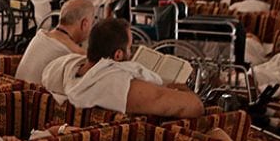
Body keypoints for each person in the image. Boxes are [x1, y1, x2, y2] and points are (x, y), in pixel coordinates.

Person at [41, 18, 204, 118]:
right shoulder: (117, 82)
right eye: (130, 48)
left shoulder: (61, 65)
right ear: (118, 55)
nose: (132, 53)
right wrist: (186, 91)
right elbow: (195, 107)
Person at [15, 0, 94, 84]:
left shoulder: (41, 35)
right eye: (92, 23)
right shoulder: (76, 54)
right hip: (37, 96)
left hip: (17, 93)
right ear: (85, 24)